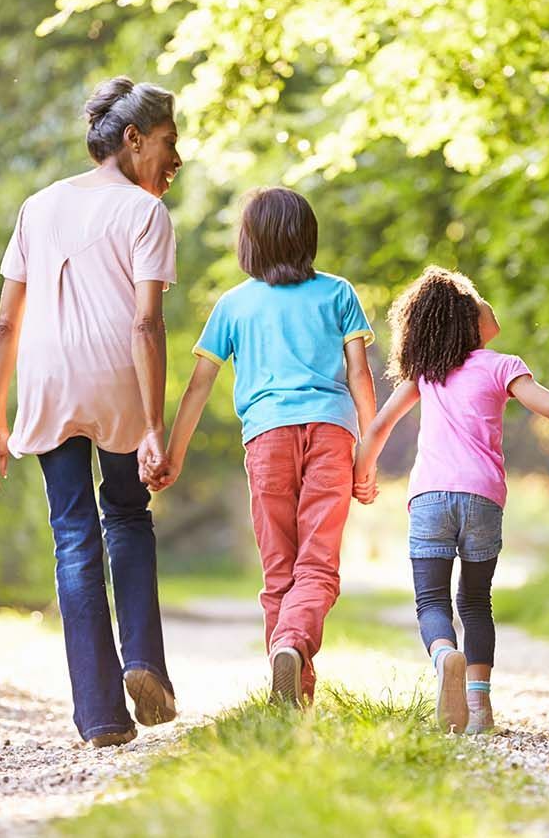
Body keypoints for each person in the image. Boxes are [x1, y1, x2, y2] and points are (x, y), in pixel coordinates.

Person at [351, 267, 549, 734]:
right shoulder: (502, 366)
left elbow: (377, 428)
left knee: (432, 601)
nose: (486, 304)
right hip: (482, 498)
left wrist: (363, 474)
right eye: (477, 299)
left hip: (431, 497)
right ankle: (479, 710)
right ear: (467, 319)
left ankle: (443, 658)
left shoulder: (426, 376)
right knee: (476, 602)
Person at [0, 77, 183, 747]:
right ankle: (145, 660)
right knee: (126, 512)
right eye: (169, 145)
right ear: (133, 139)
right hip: (114, 375)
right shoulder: (145, 214)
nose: (176, 162)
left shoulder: (37, 206)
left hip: (45, 379)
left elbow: (7, 323)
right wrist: (154, 426)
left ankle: (98, 715)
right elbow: (147, 325)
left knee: (72, 533)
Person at [146, 187, 377, 706]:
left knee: (280, 570)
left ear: (249, 244)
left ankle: (291, 689)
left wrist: (173, 454)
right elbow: (362, 379)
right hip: (332, 434)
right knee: (317, 567)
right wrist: (368, 456)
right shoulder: (338, 293)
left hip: (267, 438)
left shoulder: (233, 304)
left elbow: (199, 385)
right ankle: (293, 655)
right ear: (307, 237)